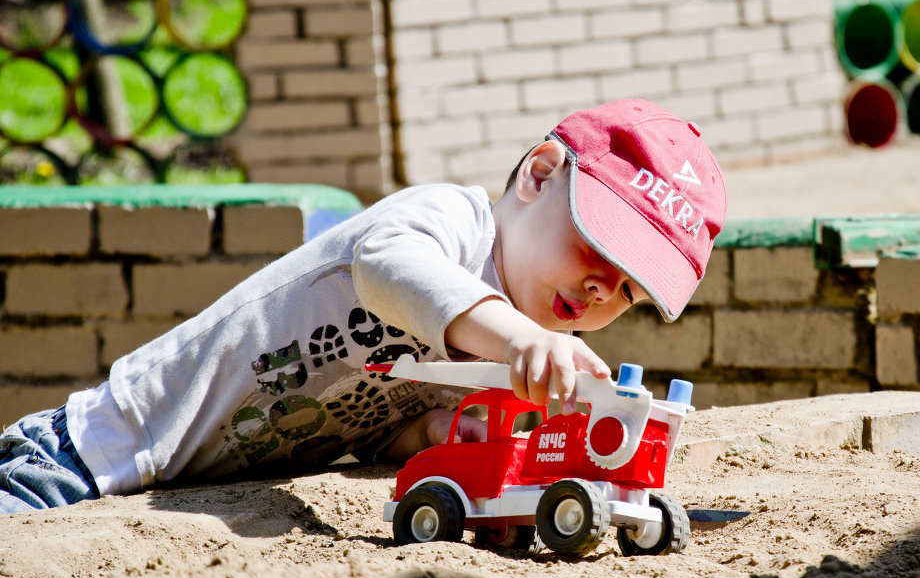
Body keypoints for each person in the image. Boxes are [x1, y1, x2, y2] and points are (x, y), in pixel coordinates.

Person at [0, 98, 727, 514]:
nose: (604, 288)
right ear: (539, 175)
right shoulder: (447, 223)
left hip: (186, 485)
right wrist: (517, 342)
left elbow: (371, 413)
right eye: (598, 245)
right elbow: (387, 270)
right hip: (84, 458)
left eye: (629, 288)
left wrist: (440, 433)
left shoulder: (488, 334)